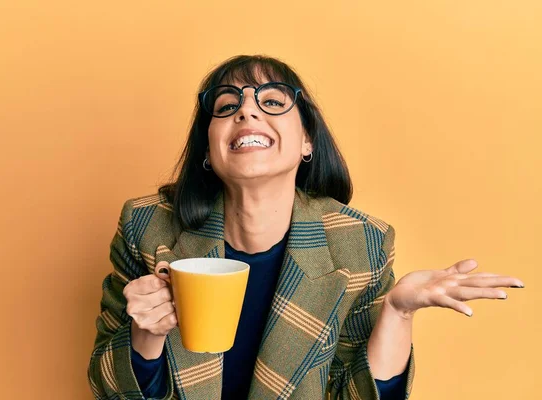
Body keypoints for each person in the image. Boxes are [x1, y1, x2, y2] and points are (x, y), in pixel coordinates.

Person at [87, 55, 525, 400]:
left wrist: (397, 312)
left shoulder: (362, 244)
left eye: (272, 102)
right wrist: (145, 336)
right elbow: (108, 387)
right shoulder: (147, 228)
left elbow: (355, 394)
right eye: (227, 107)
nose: (247, 113)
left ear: (307, 141)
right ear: (209, 148)